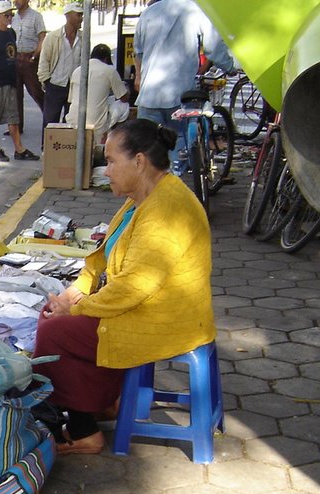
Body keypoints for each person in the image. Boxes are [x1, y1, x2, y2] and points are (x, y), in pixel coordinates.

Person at [31, 119, 215, 454]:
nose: (106, 171)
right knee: (51, 318)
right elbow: (101, 263)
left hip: (161, 319)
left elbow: (133, 287)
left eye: (112, 161)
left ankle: (84, 431)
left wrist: (76, 307)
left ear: (140, 161)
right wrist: (73, 293)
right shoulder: (141, 199)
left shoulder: (164, 210)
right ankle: (100, 403)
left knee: (55, 334)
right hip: (142, 306)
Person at [132, 0, 229, 164]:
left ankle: (150, 185)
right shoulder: (196, 11)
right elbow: (213, 46)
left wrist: (139, 78)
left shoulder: (148, 13)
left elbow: (138, 52)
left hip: (149, 94)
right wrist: (229, 65)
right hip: (180, 94)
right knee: (179, 143)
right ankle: (173, 180)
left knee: (147, 146)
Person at [0, 0, 39, 162]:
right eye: (6, 15)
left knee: (13, 118)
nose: (10, 18)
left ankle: (19, 149)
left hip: (10, 81)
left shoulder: (11, 34)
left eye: (11, 15)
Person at [66, 43, 130, 143]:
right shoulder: (109, 70)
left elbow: (70, 100)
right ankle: (113, 135)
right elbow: (124, 98)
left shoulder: (77, 71)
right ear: (105, 59)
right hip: (96, 125)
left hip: (73, 122)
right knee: (123, 106)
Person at [36, 2, 84, 130]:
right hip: (55, 84)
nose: (81, 18)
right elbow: (44, 61)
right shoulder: (53, 37)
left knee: (71, 121)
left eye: (82, 15)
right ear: (68, 16)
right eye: (78, 15)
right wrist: (46, 81)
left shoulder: (83, 38)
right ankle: (46, 149)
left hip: (74, 86)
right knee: (50, 121)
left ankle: (66, 148)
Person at [9, 0, 45, 136]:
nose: (16, 1)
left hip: (30, 58)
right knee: (15, 94)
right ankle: (17, 126)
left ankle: (48, 120)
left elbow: (42, 37)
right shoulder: (13, 17)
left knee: (36, 91)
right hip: (16, 58)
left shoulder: (36, 16)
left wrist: (35, 55)